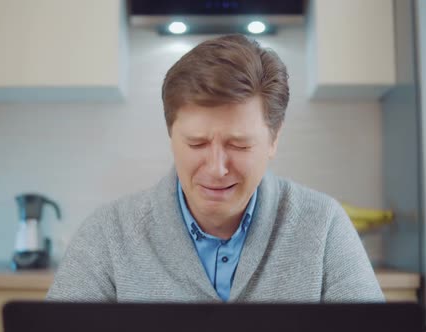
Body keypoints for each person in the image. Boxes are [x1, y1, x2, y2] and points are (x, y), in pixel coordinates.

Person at [46, 34, 384, 303]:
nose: (217, 167)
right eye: (197, 144)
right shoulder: (107, 235)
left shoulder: (323, 226)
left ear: (273, 139)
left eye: (238, 145)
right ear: (170, 135)